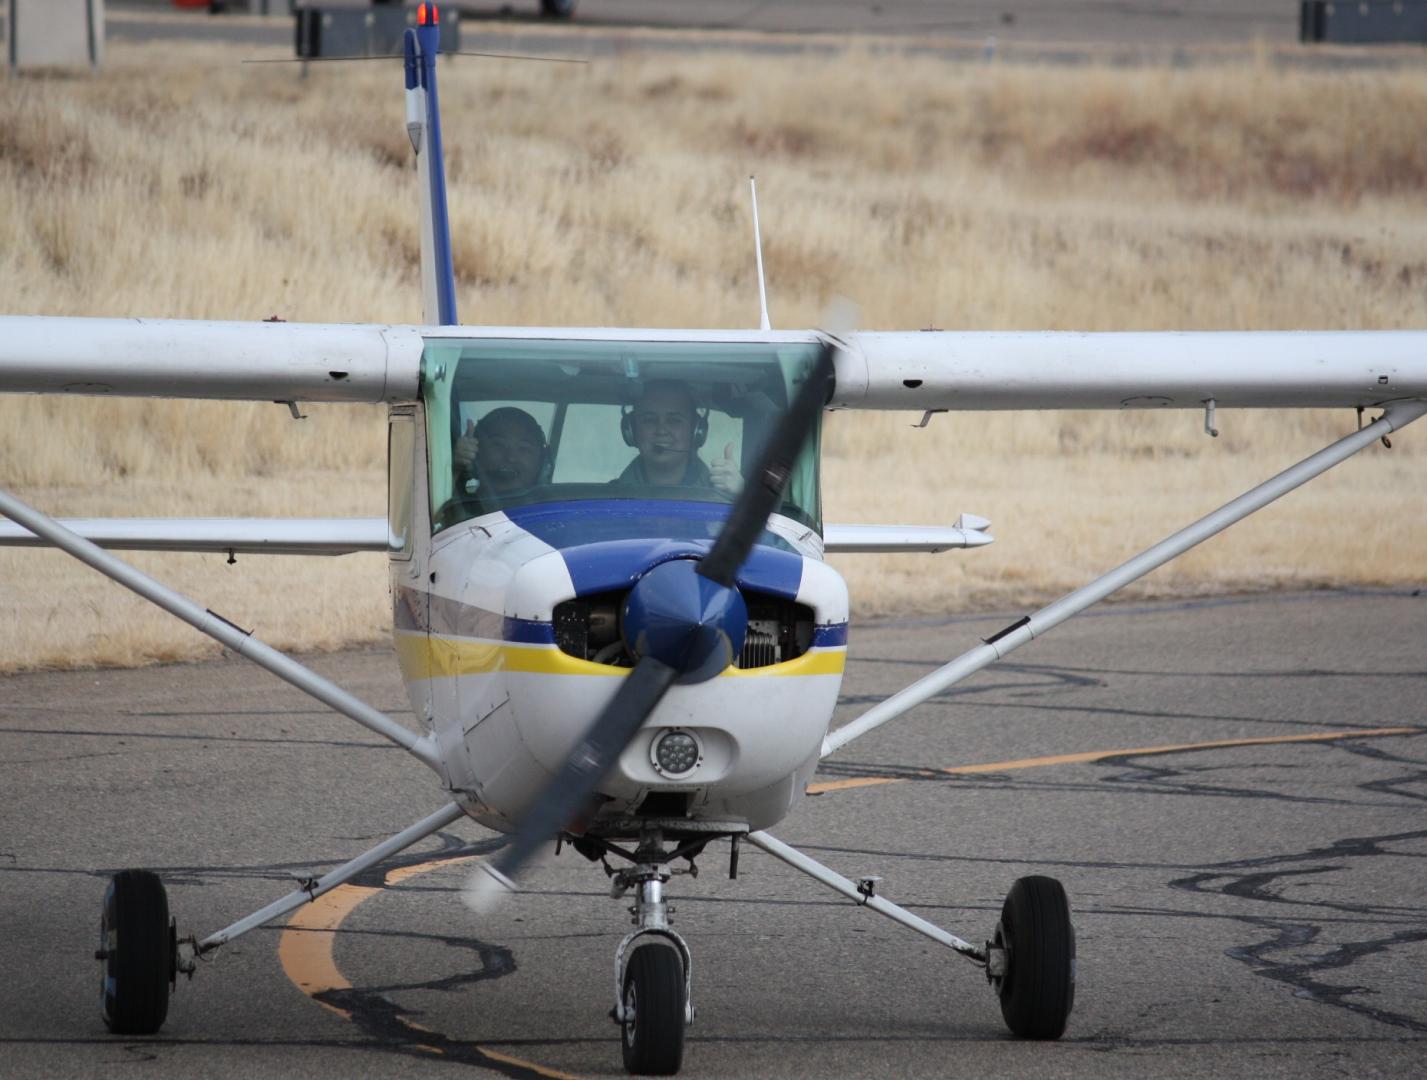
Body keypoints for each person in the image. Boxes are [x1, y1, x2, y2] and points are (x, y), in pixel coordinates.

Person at [615, 381, 742, 496]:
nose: (661, 430)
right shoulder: (608, 498)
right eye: (649, 420)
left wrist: (742, 497)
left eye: (674, 420)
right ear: (632, 430)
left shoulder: (722, 495)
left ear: (696, 430)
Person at [452, 407, 547, 502]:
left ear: (542, 463)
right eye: (498, 445)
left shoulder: (556, 511)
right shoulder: (452, 506)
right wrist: (453, 469)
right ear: (476, 455)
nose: (511, 458)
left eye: (523, 448)